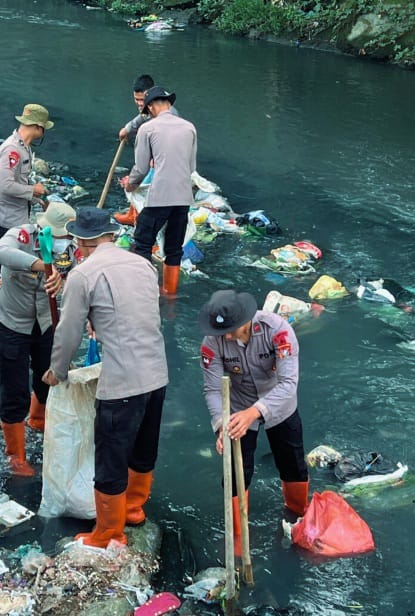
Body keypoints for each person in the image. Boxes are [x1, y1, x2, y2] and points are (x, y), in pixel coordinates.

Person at [43, 207, 169, 548]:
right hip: (157, 372)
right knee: (144, 447)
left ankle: (109, 532)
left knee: (111, 454)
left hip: (122, 381)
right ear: (112, 234)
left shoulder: (83, 275)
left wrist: (58, 371)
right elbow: (141, 314)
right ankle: (134, 509)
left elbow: (68, 334)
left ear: (81, 242)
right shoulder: (143, 264)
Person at [198, 289, 309, 545]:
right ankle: (238, 538)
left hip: (278, 404)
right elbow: (213, 389)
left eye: (231, 329)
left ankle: (298, 516)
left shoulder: (278, 330)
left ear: (246, 320)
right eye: (221, 331)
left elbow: (288, 382)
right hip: (237, 407)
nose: (225, 336)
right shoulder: (211, 342)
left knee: (292, 464)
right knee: (236, 474)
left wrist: (255, 412)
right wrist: (219, 426)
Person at [0, 202, 77, 476]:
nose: (67, 241)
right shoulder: (22, 235)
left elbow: (77, 271)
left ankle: (38, 419)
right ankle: (15, 455)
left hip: (46, 322)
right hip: (11, 322)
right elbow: (2, 253)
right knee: (14, 388)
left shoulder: (73, 246)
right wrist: (42, 265)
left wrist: (64, 279)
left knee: (47, 375)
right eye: (62, 236)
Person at [126, 86, 196, 297]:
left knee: (142, 242)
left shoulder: (148, 129)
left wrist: (131, 184)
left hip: (160, 197)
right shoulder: (189, 127)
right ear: (169, 103)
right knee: (174, 248)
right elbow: (191, 167)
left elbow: (140, 168)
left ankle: (143, 293)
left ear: (150, 107)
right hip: (183, 197)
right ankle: (169, 292)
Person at [0, 103, 53, 239]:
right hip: (6, 219)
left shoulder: (24, 147)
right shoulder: (12, 150)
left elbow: (20, 181)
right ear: (37, 127)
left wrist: (37, 199)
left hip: (16, 216)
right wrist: (33, 189)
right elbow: (6, 186)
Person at [114, 74, 154, 227]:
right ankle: (132, 215)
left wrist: (132, 181)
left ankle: (142, 222)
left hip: (159, 160)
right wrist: (127, 129)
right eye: (136, 99)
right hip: (148, 155)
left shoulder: (162, 112)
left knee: (139, 184)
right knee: (135, 177)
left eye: (141, 99)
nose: (139, 103)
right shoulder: (148, 107)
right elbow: (142, 117)